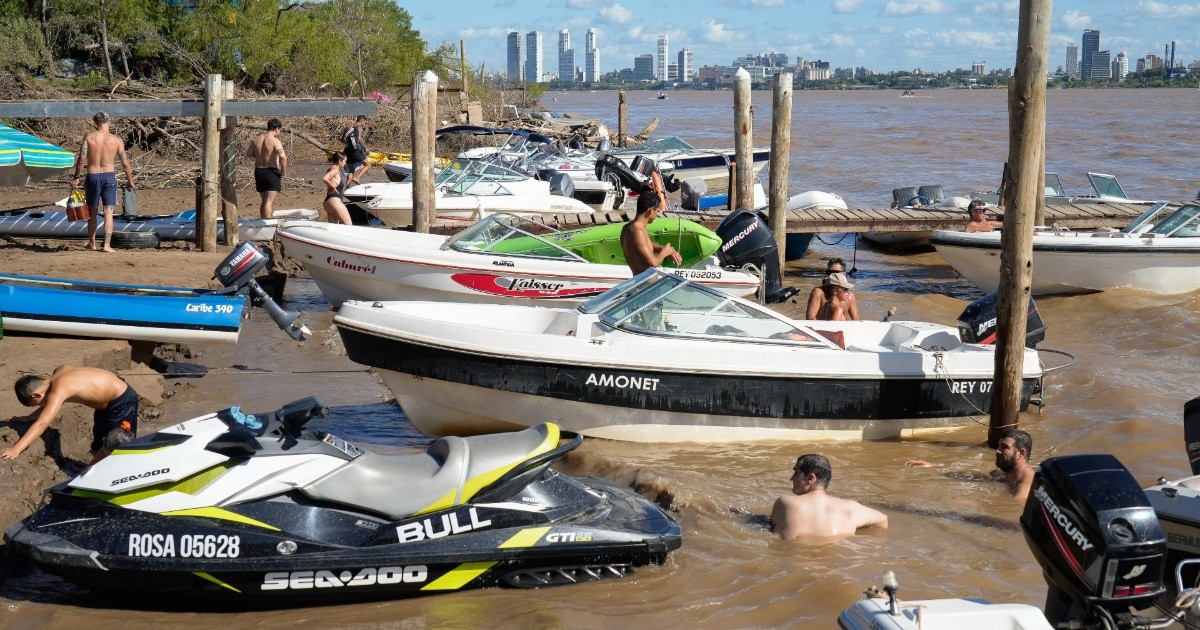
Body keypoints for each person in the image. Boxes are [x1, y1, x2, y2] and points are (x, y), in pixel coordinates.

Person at [2, 366, 139, 464]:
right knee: (98, 444)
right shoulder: (58, 371)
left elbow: (42, 423)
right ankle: (95, 470)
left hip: (122, 400)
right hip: (105, 404)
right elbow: (47, 406)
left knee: (116, 444)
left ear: (36, 394)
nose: (41, 406)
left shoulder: (59, 390)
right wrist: (27, 418)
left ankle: (98, 473)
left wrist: (16, 449)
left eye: (37, 404)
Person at [770, 454, 888, 539]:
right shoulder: (851, 508)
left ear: (810, 478)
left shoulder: (786, 503)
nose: (791, 478)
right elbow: (883, 520)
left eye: (796, 472)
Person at [905, 427, 1035, 501]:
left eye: (1004, 447)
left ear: (1021, 454)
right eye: (998, 446)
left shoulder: (1027, 482)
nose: (997, 451)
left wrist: (971, 503)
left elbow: (1011, 508)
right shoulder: (1004, 473)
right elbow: (972, 472)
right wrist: (932, 465)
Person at [70, 111, 136, 252]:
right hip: (109, 177)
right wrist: (130, 180)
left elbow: (82, 159)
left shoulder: (89, 137)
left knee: (92, 212)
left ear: (95, 124)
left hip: (93, 177)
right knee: (108, 211)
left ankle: (92, 243)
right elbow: (125, 163)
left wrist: (76, 177)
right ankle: (106, 245)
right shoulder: (117, 140)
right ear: (108, 122)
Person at [620, 171, 681, 274]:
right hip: (645, 283)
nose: (657, 215)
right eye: (657, 211)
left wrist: (665, 249)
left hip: (641, 281)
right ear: (650, 211)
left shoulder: (628, 228)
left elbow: (643, 246)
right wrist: (664, 252)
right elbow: (653, 263)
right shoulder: (637, 231)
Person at [247, 118, 288, 219]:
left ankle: (262, 221)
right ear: (277, 129)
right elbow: (283, 157)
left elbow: (249, 154)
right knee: (269, 201)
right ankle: (267, 222)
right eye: (280, 130)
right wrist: (283, 171)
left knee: (264, 200)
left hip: (259, 171)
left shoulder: (256, 139)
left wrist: (261, 155)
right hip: (271, 171)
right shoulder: (275, 140)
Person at [322, 151, 352, 225]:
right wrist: (332, 186)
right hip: (334, 202)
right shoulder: (335, 170)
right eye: (345, 161)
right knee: (349, 226)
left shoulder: (331, 168)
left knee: (334, 229)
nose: (345, 163)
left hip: (328, 202)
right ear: (340, 161)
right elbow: (325, 178)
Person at [342, 115, 372, 185]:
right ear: (361, 121)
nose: (365, 125)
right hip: (355, 151)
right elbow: (359, 138)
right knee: (368, 165)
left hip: (347, 151)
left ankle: (347, 188)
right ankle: (357, 178)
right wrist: (365, 147)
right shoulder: (359, 127)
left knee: (351, 170)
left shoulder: (348, 127)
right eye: (365, 123)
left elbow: (342, 138)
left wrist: (348, 143)